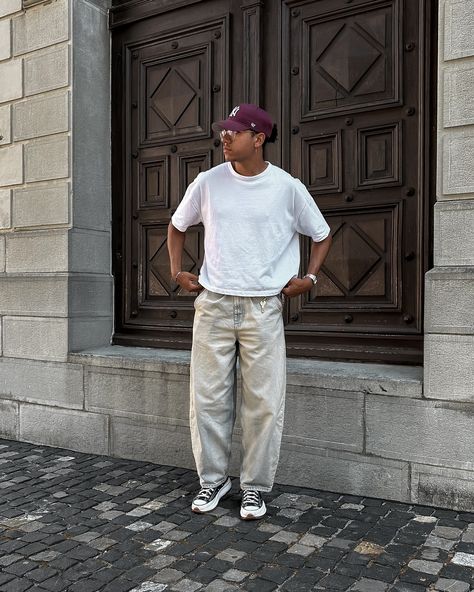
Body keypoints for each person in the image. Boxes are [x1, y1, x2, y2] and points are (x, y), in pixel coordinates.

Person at [167, 104, 332, 520]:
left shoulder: (286, 187)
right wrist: (176, 271)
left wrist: (308, 279)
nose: (225, 137)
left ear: (258, 139)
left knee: (263, 404)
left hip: (263, 308)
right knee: (207, 399)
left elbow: (322, 234)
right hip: (215, 304)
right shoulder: (208, 182)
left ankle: (254, 488)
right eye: (224, 130)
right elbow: (177, 225)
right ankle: (213, 480)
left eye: (235, 132)